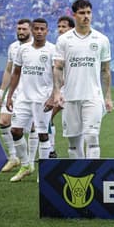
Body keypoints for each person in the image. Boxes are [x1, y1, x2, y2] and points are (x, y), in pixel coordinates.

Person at [47, 0, 113, 159]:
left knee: (92, 137)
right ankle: (80, 175)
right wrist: (56, 93)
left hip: (93, 96)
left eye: (89, 13)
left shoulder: (102, 39)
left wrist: (108, 96)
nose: (86, 16)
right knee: (73, 142)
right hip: (70, 97)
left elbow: (105, 70)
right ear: (74, 15)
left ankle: (92, 175)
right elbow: (58, 68)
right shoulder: (64, 40)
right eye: (82, 13)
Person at [4, 18, 56, 182]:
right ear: (32, 30)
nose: (39, 32)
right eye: (37, 29)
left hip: (43, 100)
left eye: (43, 29)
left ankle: (44, 171)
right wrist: (10, 95)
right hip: (23, 98)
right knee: (15, 131)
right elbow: (16, 73)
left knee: (42, 134)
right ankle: (26, 165)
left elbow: (58, 75)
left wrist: (53, 96)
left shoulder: (53, 50)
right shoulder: (23, 49)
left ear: (47, 31)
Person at [0, 18, 31, 172]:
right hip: (14, 91)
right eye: (19, 29)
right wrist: (2, 91)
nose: (21, 32)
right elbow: (9, 70)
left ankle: (30, 160)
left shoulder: (37, 47)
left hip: (31, 92)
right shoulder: (13, 47)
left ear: (30, 30)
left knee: (31, 129)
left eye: (24, 29)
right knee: (4, 121)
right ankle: (13, 157)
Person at [47, 15, 75, 157]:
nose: (60, 29)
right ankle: (51, 150)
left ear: (71, 28)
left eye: (64, 26)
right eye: (59, 26)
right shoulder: (57, 45)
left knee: (78, 126)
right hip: (61, 90)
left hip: (73, 89)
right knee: (47, 117)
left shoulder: (74, 45)